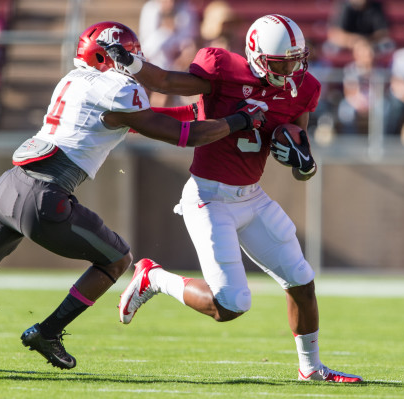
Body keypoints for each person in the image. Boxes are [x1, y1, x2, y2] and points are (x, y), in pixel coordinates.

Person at [0, 21, 265, 370]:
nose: (134, 64)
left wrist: (202, 113)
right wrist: (238, 121)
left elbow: (139, 120)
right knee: (118, 259)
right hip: (44, 196)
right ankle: (48, 331)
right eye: (128, 56)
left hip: (8, 187)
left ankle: (46, 331)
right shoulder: (118, 89)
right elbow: (180, 136)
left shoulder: (74, 79)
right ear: (107, 55)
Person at [101, 14, 363, 383]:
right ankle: (154, 278)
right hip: (209, 198)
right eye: (280, 63)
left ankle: (311, 368)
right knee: (230, 305)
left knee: (302, 281)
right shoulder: (223, 68)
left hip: (252, 198)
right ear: (256, 55)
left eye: (295, 61)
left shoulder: (303, 89)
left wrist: (304, 165)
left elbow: (296, 146)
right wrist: (132, 63)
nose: (289, 71)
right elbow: (165, 81)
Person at [324, 0, 393, 55]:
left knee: (388, 45)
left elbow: (383, 32)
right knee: (329, 48)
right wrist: (356, 41)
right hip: (348, 43)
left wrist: (365, 42)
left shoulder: (376, 7)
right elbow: (335, 34)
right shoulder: (343, 6)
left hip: (371, 43)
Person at [337, 38, 375, 135]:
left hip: (374, 101)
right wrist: (360, 104)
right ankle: (351, 140)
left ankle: (382, 139)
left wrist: (371, 104)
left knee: (385, 108)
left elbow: (381, 91)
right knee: (345, 109)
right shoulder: (350, 69)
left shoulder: (377, 70)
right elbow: (349, 92)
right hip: (356, 101)